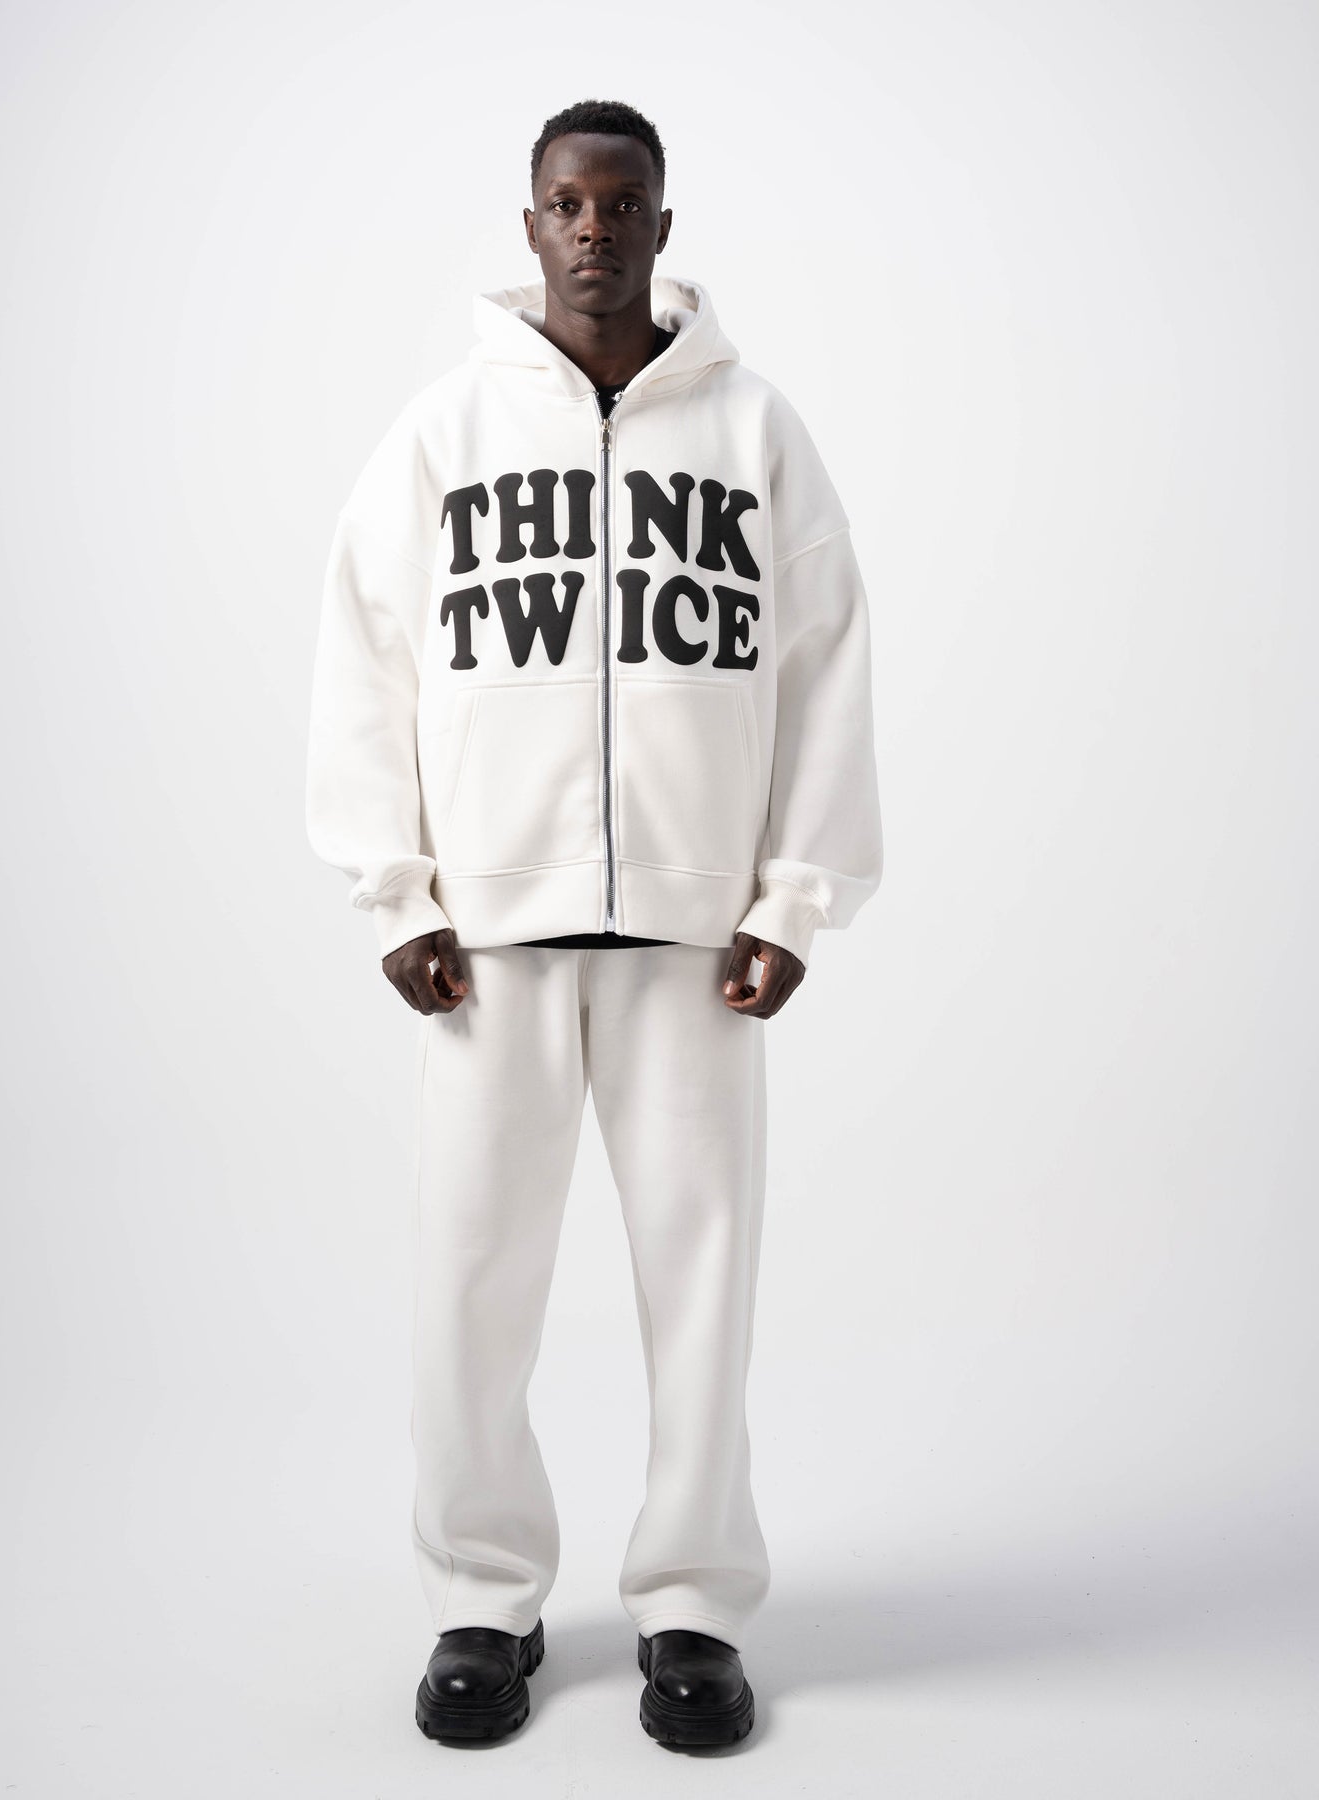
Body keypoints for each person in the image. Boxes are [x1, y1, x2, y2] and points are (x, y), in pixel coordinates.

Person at [305, 96, 883, 1750]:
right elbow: (367, 654)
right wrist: (397, 888)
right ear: (531, 223)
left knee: (703, 1278)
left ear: (663, 227)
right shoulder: (445, 432)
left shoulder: (755, 431)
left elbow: (826, 658)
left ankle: (693, 1604)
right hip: (487, 940)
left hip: (699, 948)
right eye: (567, 202)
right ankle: (481, 1598)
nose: (593, 229)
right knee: (471, 1277)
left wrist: (793, 898)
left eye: (622, 204)